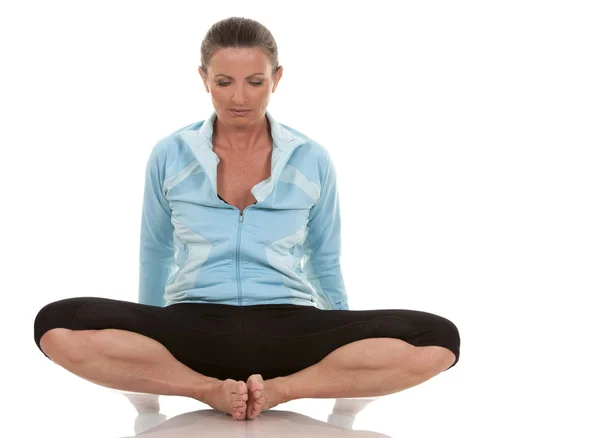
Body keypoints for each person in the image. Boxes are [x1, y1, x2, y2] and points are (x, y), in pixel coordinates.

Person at [33, 16, 461, 422]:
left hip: (290, 325)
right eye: (224, 82)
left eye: (255, 82)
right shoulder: (170, 153)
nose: (239, 97)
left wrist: (345, 336)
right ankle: (204, 389)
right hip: (192, 323)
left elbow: (323, 258)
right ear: (203, 78)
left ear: (276, 79)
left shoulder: (312, 158)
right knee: (54, 324)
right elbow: (156, 249)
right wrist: (151, 333)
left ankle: (280, 390)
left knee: (439, 338)